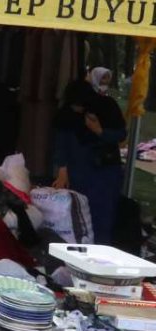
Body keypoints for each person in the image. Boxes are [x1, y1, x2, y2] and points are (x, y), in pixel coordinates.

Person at [53, 72, 126, 245]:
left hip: (104, 174)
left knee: (101, 220)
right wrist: (62, 170)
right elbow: (61, 143)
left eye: (79, 106)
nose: (77, 109)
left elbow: (120, 134)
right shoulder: (67, 114)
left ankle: (98, 258)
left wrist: (99, 131)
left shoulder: (106, 107)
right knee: (77, 219)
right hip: (78, 172)